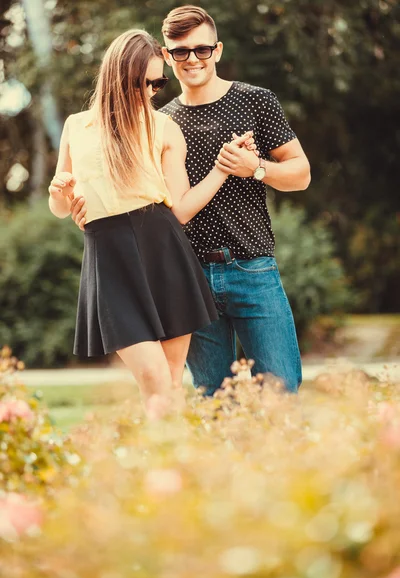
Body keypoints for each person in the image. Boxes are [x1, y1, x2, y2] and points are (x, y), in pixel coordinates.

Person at [71, 6, 311, 396]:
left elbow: (301, 175)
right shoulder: (157, 121)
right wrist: (83, 212)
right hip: (186, 275)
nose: (192, 59)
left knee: (280, 392)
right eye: (180, 51)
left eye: (202, 49)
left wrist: (257, 167)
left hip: (253, 269)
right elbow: (131, 201)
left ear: (217, 50)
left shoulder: (255, 101)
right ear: (166, 56)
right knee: (211, 398)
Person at [48, 29, 256, 403]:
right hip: (108, 257)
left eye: (157, 83)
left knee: (172, 380)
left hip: (163, 249)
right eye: (141, 82)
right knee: (153, 375)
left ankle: (165, 460)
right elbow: (62, 208)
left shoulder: (164, 127)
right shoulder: (77, 126)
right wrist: (59, 195)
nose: (149, 92)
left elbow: (178, 210)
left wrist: (221, 170)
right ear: (117, 75)